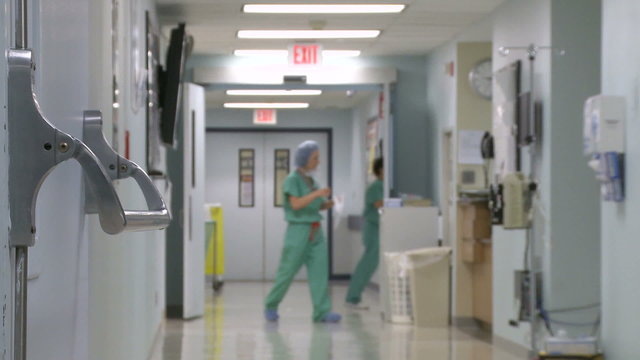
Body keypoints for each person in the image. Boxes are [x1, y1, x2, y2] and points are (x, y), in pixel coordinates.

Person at [264, 140, 342, 323]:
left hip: (316, 231)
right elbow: (296, 204)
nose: (318, 161)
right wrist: (317, 194)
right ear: (304, 159)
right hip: (298, 231)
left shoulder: (312, 181)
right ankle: (271, 305)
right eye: (315, 158)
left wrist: (331, 203)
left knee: (319, 272)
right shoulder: (292, 180)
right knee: (287, 272)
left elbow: (314, 206)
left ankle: (322, 311)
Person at [345, 157, 384, 309]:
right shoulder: (376, 187)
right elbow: (378, 203)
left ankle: (353, 297)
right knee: (367, 264)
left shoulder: (381, 186)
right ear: (381, 169)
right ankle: (352, 297)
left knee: (369, 264)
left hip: (376, 228)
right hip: (372, 228)